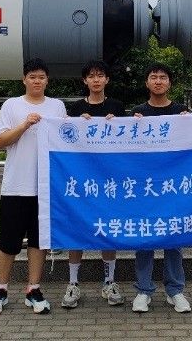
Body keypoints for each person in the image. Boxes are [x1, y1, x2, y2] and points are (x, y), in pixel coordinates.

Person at [0, 58, 66, 316]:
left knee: (39, 241)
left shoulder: (57, 106)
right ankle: (0, 289)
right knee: (8, 241)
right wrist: (24, 125)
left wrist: (85, 123)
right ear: (24, 79)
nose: (37, 81)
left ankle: (34, 289)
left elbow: (67, 137)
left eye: (41, 77)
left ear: (47, 80)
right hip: (16, 186)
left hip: (46, 187)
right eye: (32, 77)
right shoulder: (12, 105)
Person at [62, 59, 127, 308]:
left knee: (107, 229)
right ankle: (73, 283)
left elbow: (129, 140)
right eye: (91, 76)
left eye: (100, 75)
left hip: (109, 179)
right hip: (81, 179)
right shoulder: (76, 108)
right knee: (76, 229)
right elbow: (64, 137)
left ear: (107, 80)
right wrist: (77, 123)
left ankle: (109, 281)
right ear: (85, 80)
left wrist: (117, 124)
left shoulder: (117, 107)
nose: (96, 80)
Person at [130, 63, 191, 314]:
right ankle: (143, 290)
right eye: (153, 77)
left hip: (172, 185)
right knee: (145, 236)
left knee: (173, 237)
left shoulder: (180, 111)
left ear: (169, 83)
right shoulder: (137, 112)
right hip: (145, 185)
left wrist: (189, 123)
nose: (158, 81)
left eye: (163, 77)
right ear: (147, 83)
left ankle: (175, 290)